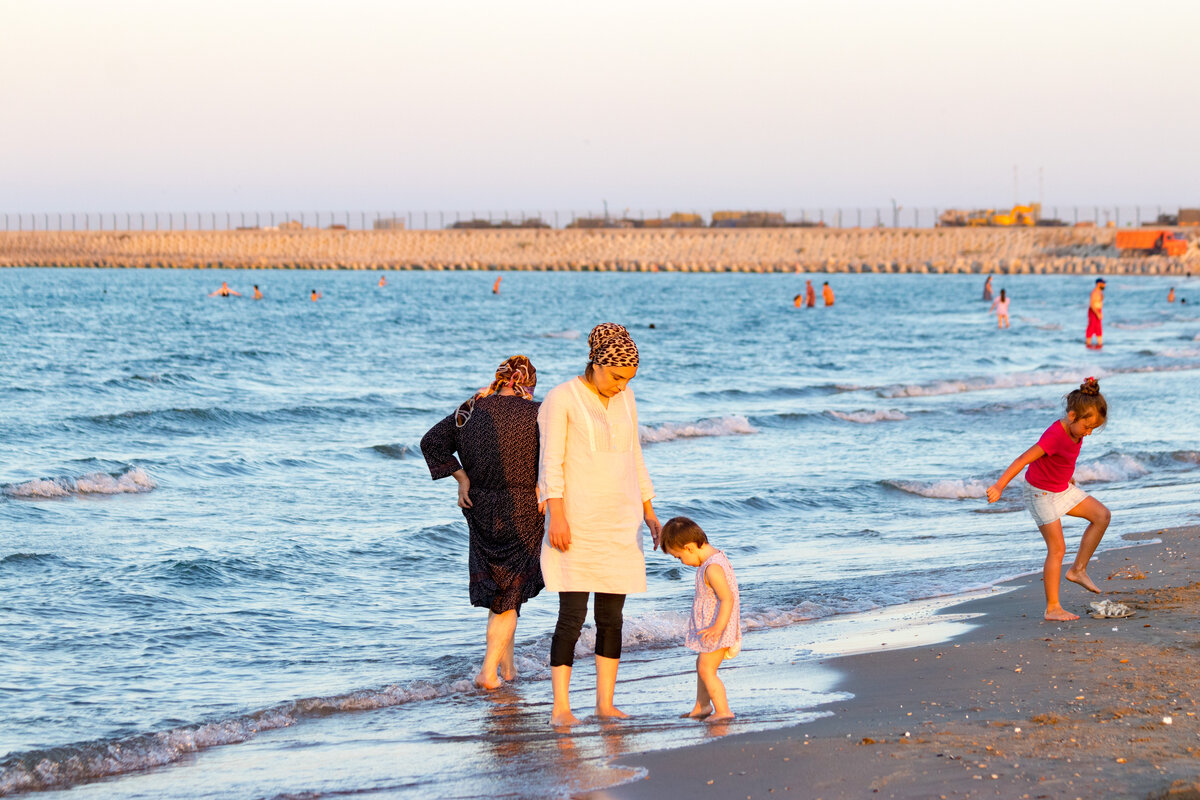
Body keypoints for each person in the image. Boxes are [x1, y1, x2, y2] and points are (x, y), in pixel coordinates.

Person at [538, 322, 661, 726]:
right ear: (596, 364)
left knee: (612, 618)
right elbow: (550, 462)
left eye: (629, 379)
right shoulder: (561, 398)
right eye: (618, 377)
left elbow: (634, 455)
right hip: (576, 521)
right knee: (571, 617)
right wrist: (556, 513)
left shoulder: (626, 400)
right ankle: (561, 709)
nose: (623, 386)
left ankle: (605, 704)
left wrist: (649, 510)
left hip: (621, 522)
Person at [420, 356, 545, 689]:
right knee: (509, 592)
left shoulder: (470, 410)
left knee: (503, 594)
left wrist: (461, 478)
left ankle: (509, 669)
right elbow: (560, 455)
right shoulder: (539, 413)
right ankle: (487, 673)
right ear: (527, 384)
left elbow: (430, 442)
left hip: (480, 506)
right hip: (523, 507)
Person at [985, 378, 1111, 621]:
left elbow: (1062, 459)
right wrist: (999, 486)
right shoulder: (1055, 435)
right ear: (1073, 415)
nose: (1089, 433)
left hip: (1060, 488)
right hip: (1040, 494)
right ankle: (1052, 607)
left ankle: (1078, 570)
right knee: (1057, 548)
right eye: (1087, 427)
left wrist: (1067, 476)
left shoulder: (1078, 430)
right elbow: (1024, 459)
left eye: (1094, 428)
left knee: (1102, 516)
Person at [660, 516, 741, 721]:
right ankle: (702, 706)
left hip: (717, 628)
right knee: (702, 665)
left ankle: (723, 711)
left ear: (689, 548)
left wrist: (717, 627)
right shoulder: (712, 560)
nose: (681, 562)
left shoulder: (712, 567)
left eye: (678, 557)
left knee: (707, 669)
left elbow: (727, 599)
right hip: (713, 627)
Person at [1086, 278, 1105, 348]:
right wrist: (1097, 313)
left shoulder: (1100, 292)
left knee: (1098, 329)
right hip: (1094, 311)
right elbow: (1091, 304)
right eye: (1103, 284)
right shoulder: (1094, 292)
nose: (1104, 285)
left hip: (1098, 310)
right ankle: (1088, 344)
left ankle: (1100, 344)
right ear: (1098, 284)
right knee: (1091, 327)